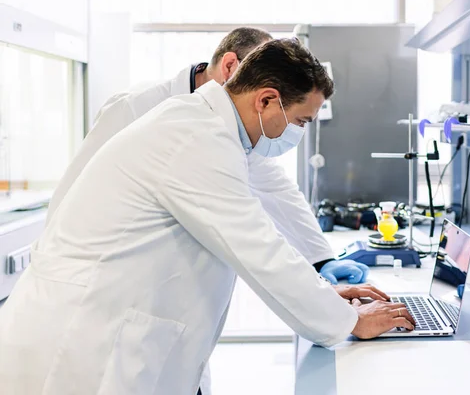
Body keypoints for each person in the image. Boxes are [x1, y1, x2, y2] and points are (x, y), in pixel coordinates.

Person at [0, 39, 415, 395]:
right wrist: (345, 321)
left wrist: (323, 290)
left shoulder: (216, 133)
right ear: (267, 99)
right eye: (302, 120)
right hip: (81, 345)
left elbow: (267, 212)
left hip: (115, 331)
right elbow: (257, 249)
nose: (299, 132)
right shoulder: (195, 137)